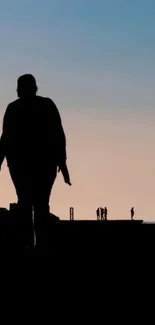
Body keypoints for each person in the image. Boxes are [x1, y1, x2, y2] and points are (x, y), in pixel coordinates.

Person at [0, 74, 71, 247]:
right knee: (41, 205)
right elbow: (58, 136)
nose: (17, 90)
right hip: (43, 166)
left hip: (22, 166)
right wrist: (63, 164)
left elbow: (5, 140)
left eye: (19, 87)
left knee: (26, 204)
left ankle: (29, 245)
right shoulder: (47, 105)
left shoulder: (14, 108)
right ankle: (40, 244)